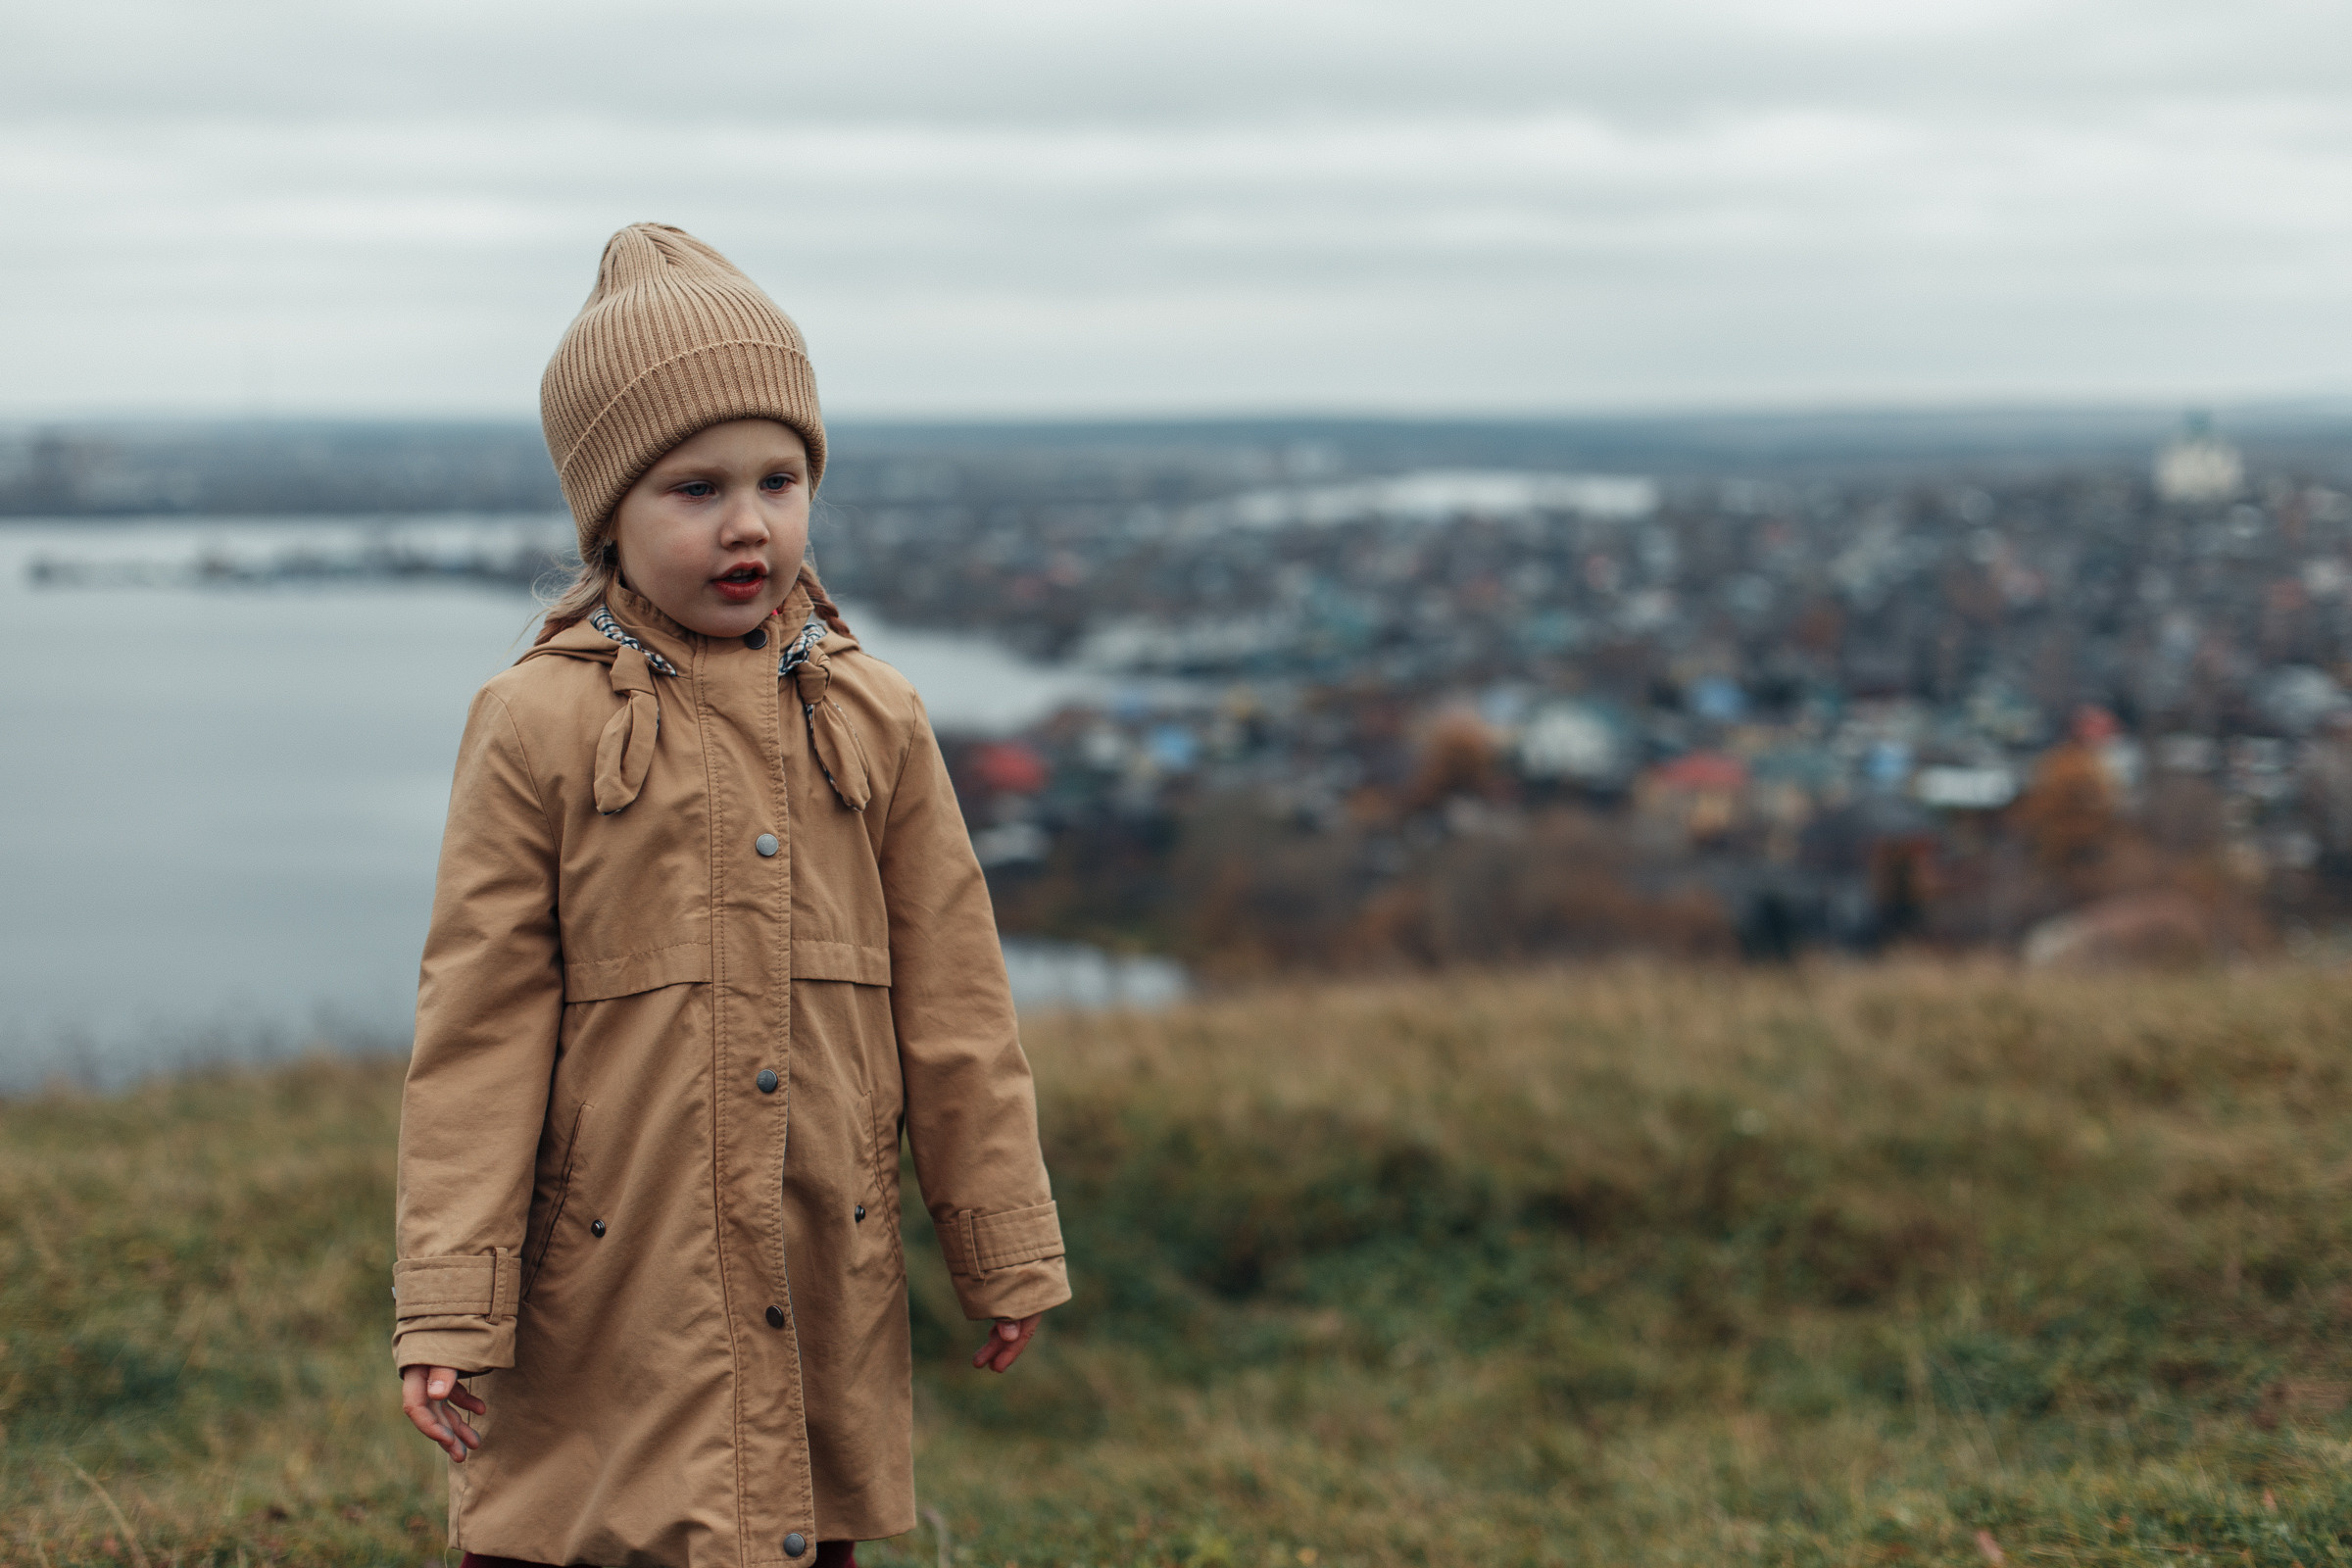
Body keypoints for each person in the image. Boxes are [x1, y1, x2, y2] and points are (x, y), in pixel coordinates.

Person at [391, 222, 1069, 1568]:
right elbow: (478, 1032)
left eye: (780, 476)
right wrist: (449, 1306)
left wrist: (1003, 1243)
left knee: (791, 1530)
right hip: (604, 1280)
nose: (748, 521)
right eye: (694, 488)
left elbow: (957, 1009)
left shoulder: (877, 717)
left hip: (818, 1259)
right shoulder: (535, 723)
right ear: (609, 516)